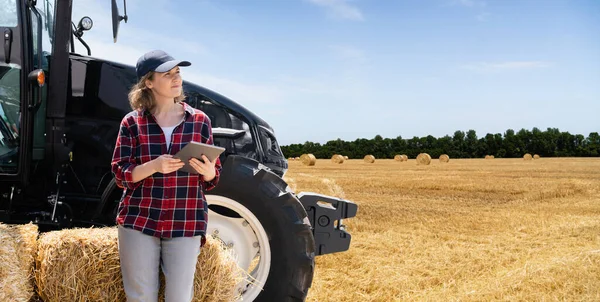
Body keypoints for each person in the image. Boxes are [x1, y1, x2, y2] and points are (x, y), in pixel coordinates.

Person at [111, 50, 222, 302]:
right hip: (139, 219)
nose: (176, 79)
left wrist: (208, 172)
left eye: (178, 73)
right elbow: (121, 174)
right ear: (148, 82)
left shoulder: (200, 121)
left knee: (179, 298)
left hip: (185, 220)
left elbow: (213, 177)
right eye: (167, 74)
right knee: (140, 297)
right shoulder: (132, 123)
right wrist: (154, 165)